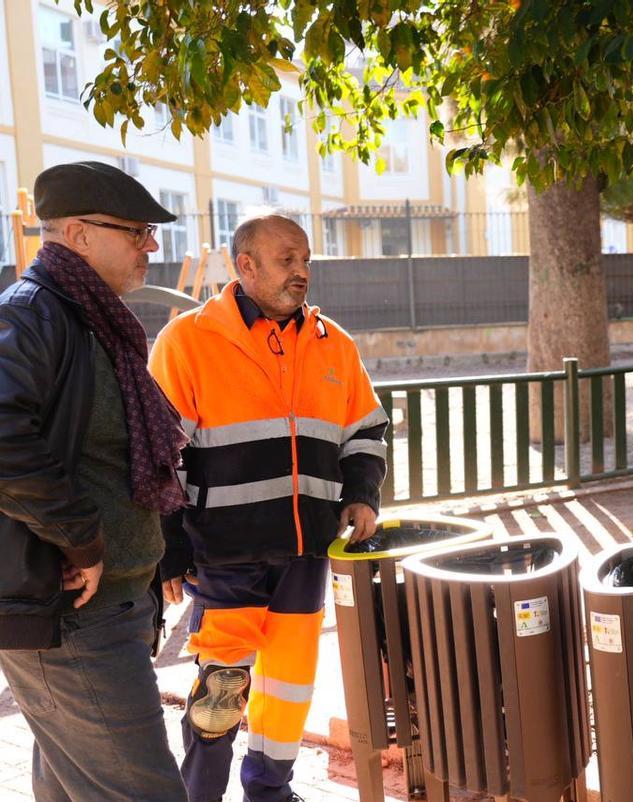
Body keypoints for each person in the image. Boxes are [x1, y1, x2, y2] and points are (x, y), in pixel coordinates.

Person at [150, 214, 388, 802]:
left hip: (306, 554)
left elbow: (365, 431)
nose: (302, 271)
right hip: (224, 555)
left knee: (286, 688)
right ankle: (200, 794)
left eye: (306, 259)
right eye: (287, 259)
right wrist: (171, 547)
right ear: (246, 265)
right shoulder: (188, 341)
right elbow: (157, 454)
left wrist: (361, 492)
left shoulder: (335, 342)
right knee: (220, 693)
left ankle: (270, 791)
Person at [0, 161, 188, 800]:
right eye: (136, 231)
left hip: (114, 607)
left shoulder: (92, 319)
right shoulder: (33, 315)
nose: (151, 246)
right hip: (73, 613)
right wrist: (80, 538)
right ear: (77, 234)